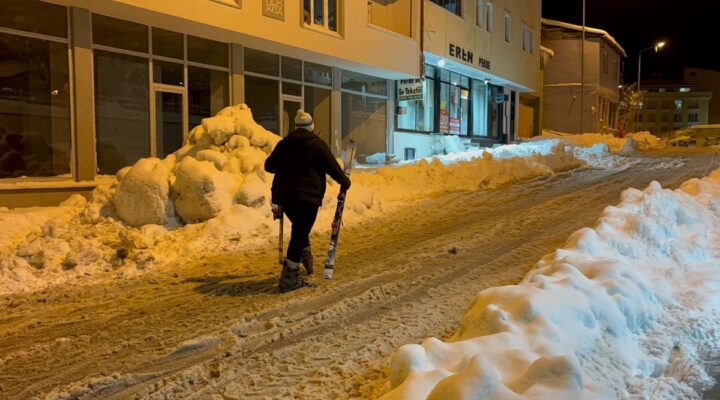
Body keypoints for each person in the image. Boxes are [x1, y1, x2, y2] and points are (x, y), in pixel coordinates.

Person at [265, 110, 351, 293]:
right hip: (308, 197)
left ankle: (304, 255)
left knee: (299, 228)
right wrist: (345, 182)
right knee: (299, 232)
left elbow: (269, 166)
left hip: (285, 197)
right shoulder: (317, 145)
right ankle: (290, 277)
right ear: (311, 127)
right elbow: (333, 168)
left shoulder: (284, 144)